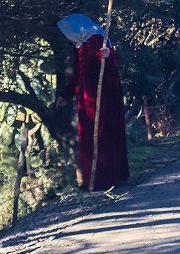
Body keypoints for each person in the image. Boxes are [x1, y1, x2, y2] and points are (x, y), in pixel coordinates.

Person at [55, 14, 129, 190]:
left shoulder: (96, 39)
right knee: (89, 139)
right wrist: (66, 95)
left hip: (102, 98)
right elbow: (77, 75)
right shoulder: (79, 47)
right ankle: (93, 180)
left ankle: (107, 178)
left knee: (102, 136)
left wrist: (108, 55)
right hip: (86, 101)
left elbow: (111, 58)